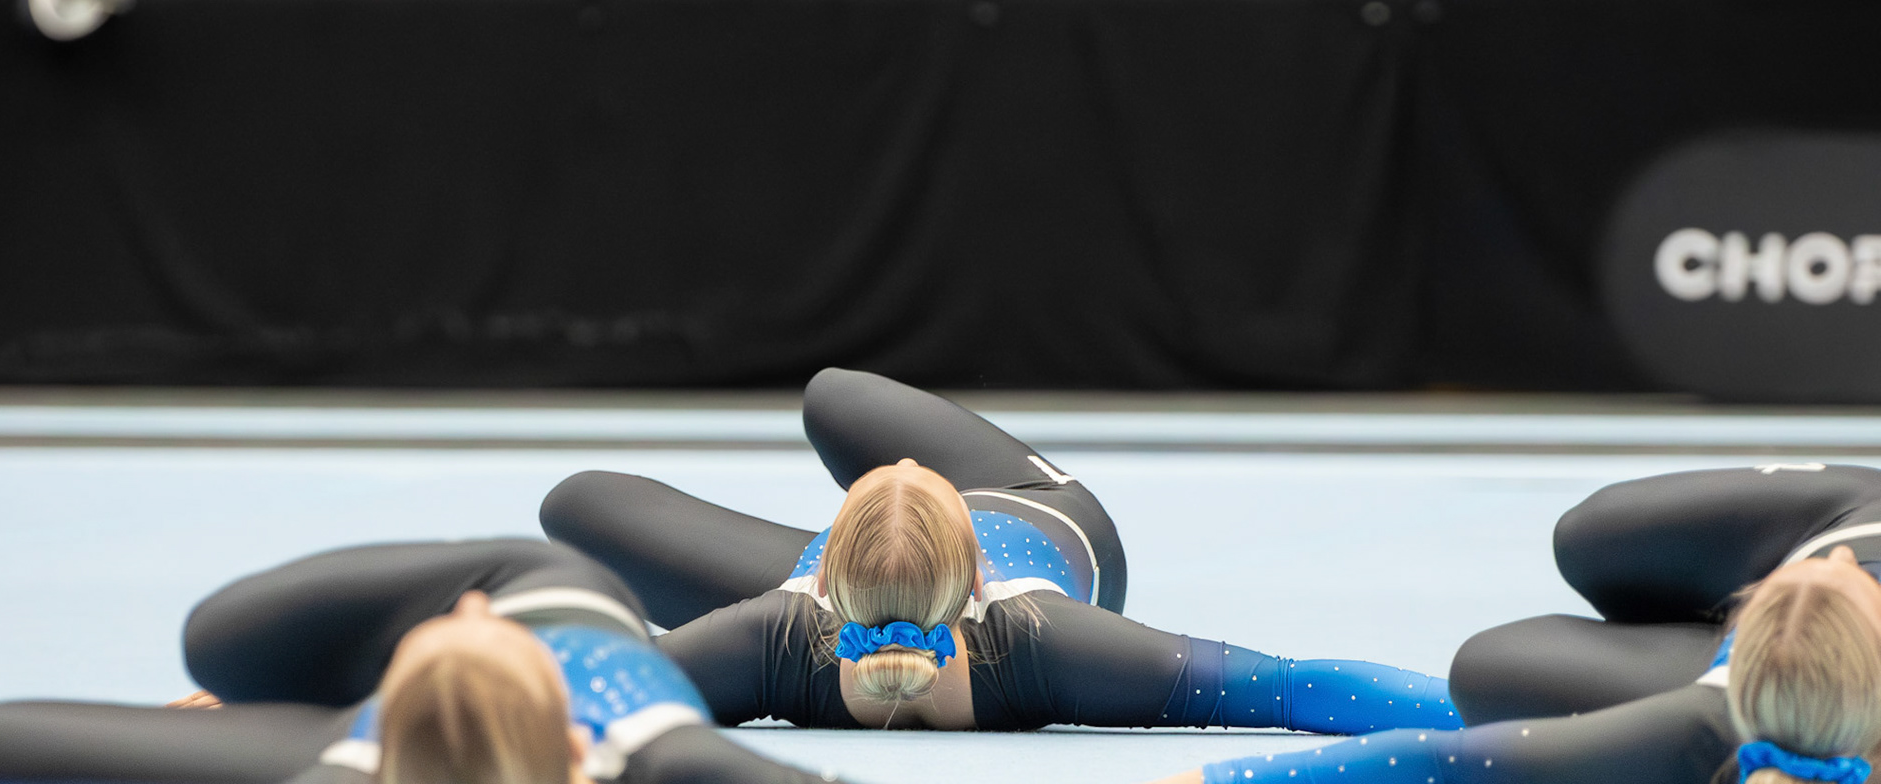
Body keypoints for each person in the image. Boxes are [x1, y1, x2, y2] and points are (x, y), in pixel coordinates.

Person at [542, 367, 1465, 734]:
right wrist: (1500, 716)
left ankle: (882, 538)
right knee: (834, 396)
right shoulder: (1050, 643)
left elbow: (556, 699)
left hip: (854, 595)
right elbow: (1296, 688)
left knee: (577, 503)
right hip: (1040, 516)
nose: (907, 464)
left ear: (819, 579)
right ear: (981, 575)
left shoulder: (769, 637)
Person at [1164, 463, 1881, 784]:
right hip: (1837, 508)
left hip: (1755, 684)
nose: (1844, 559)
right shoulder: (1717, 717)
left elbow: (1447, 761)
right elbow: (1448, 763)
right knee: (1587, 537)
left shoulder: (1704, 728)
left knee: (1489, 674)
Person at [0, 539, 845, 784]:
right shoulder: (664, 748)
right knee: (217, 645)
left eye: (455, 631)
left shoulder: (350, 765)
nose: (468, 615)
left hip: (394, 735)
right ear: (576, 749)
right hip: (539, 586)